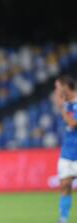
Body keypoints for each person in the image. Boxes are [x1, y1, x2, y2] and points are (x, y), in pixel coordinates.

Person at [53, 75, 77, 223]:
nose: (56, 92)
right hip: (67, 152)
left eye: (58, 88)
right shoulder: (67, 104)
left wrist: (62, 108)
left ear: (66, 87)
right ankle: (63, 219)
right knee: (65, 185)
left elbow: (73, 124)